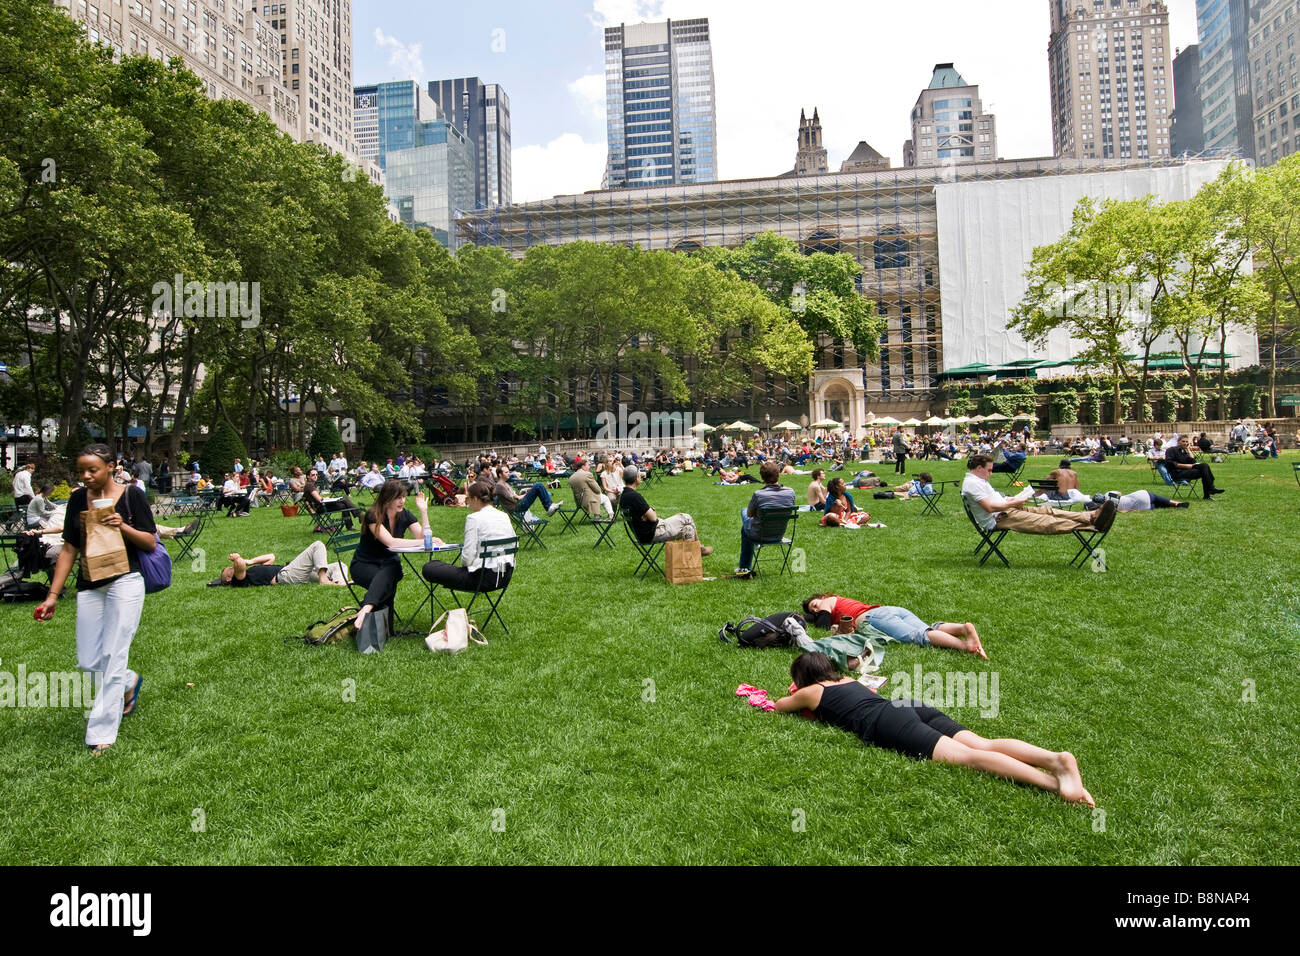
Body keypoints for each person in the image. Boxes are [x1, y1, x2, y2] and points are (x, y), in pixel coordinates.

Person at [771, 652, 1094, 806]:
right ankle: (1055, 761)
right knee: (983, 743)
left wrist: (792, 692)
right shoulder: (849, 679)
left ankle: (1055, 784)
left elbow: (778, 706)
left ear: (802, 678)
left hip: (888, 721)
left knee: (970, 758)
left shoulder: (810, 692)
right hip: (905, 705)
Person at [33, 444, 158, 754]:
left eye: (93, 470)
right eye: (81, 471)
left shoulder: (132, 496)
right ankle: (129, 682)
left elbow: (150, 542)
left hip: (126, 582)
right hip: (90, 583)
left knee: (113, 654)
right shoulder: (77, 499)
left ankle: (101, 733)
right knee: (89, 660)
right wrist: (52, 596)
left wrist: (122, 525)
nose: (86, 476)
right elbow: (69, 549)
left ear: (112, 467)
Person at [800, 593, 986, 667]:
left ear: (822, 597)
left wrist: (814, 615)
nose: (817, 610)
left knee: (920, 636)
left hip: (875, 618)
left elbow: (823, 623)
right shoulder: (842, 603)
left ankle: (964, 646)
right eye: (813, 610)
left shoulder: (827, 600)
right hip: (892, 610)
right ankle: (962, 628)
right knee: (926, 627)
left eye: (815, 605)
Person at [962, 454, 1116, 535]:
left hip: (1006, 510)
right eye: (989, 470)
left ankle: (1091, 516)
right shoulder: (972, 484)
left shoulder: (979, 480)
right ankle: (1092, 526)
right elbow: (989, 508)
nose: (991, 473)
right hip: (999, 518)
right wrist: (1013, 503)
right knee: (1045, 521)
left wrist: (1012, 499)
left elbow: (993, 500)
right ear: (978, 468)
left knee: (1048, 510)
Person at [350, 480, 430, 631]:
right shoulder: (373, 515)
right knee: (388, 578)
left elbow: (424, 538)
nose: (402, 501)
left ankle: (370, 613)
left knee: (390, 570)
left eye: (404, 497)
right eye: (398, 497)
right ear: (387, 498)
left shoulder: (404, 514)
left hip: (388, 564)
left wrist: (423, 511)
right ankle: (375, 617)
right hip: (364, 564)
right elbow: (391, 543)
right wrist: (420, 542)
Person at [422, 480, 515, 593]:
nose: (468, 504)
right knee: (439, 567)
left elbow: (467, 559)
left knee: (430, 567)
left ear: (475, 499)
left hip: (481, 579)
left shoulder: (474, 518)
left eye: (468, 499)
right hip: (505, 576)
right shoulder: (504, 516)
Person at [620, 466, 713, 554]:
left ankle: (690, 560)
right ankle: (698, 549)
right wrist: (651, 510)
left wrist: (646, 514)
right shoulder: (636, 497)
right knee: (686, 517)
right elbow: (653, 518)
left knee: (688, 529)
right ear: (636, 478)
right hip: (652, 532)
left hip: (642, 534)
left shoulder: (623, 496)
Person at [736, 461, 796, 576]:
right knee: (747, 524)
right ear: (778, 474)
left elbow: (749, 514)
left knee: (744, 515)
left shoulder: (759, 494)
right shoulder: (790, 492)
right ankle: (744, 566)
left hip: (760, 535)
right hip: (779, 534)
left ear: (762, 477)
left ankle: (744, 567)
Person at [210, 543, 349, 587]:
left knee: (339, 565)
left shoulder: (252, 571)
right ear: (228, 579)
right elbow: (239, 564)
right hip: (285, 575)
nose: (230, 567)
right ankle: (324, 579)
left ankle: (340, 583)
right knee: (317, 545)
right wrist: (237, 559)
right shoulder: (239, 580)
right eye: (229, 570)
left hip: (293, 573)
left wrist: (251, 561)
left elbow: (271, 557)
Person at [493, 465, 562, 524]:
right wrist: (528, 493)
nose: (509, 473)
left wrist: (526, 490)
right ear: (500, 474)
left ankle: (549, 506)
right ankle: (549, 507)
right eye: (506, 472)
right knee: (538, 485)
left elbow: (515, 496)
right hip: (517, 507)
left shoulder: (504, 484)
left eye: (508, 471)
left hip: (518, 504)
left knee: (537, 486)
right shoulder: (500, 486)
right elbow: (515, 498)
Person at [1164, 435, 1224, 500]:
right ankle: (1209, 491)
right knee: (1204, 471)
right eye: (1183, 441)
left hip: (1187, 471)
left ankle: (1209, 491)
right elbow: (1170, 463)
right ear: (1178, 442)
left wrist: (1188, 450)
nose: (1185, 443)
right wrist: (1187, 466)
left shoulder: (1184, 451)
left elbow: (1193, 461)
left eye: (1187, 442)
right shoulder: (1171, 450)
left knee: (1204, 466)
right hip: (1177, 473)